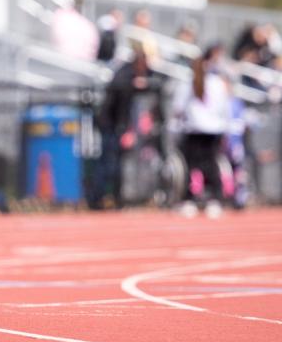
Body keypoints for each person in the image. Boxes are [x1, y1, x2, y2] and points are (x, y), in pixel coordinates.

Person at [91, 46, 159, 209]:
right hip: (110, 123)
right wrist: (123, 129)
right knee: (108, 162)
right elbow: (120, 106)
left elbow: (154, 80)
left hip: (115, 124)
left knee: (114, 162)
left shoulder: (130, 74)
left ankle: (112, 196)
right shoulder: (124, 76)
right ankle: (99, 197)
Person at [171, 45, 232, 218]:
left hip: (194, 129)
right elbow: (224, 107)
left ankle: (190, 200)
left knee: (192, 165)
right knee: (211, 164)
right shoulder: (217, 83)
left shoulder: (189, 83)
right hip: (213, 129)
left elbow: (178, 107)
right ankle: (214, 199)